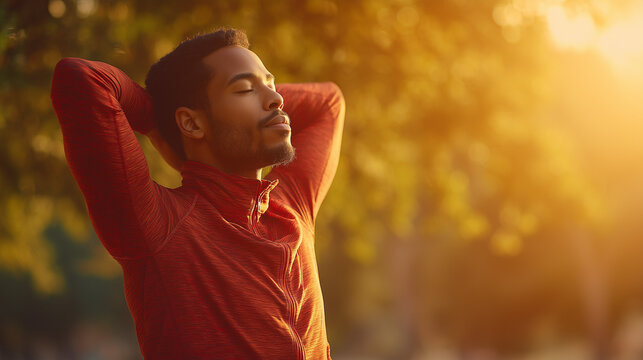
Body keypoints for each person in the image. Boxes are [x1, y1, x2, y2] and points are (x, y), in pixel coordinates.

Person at [50, 27, 345, 359]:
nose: (276, 98)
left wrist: (185, 126)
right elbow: (82, 79)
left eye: (271, 84)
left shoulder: (293, 207)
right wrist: (160, 117)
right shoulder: (159, 225)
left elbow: (329, 104)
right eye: (245, 89)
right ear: (191, 123)